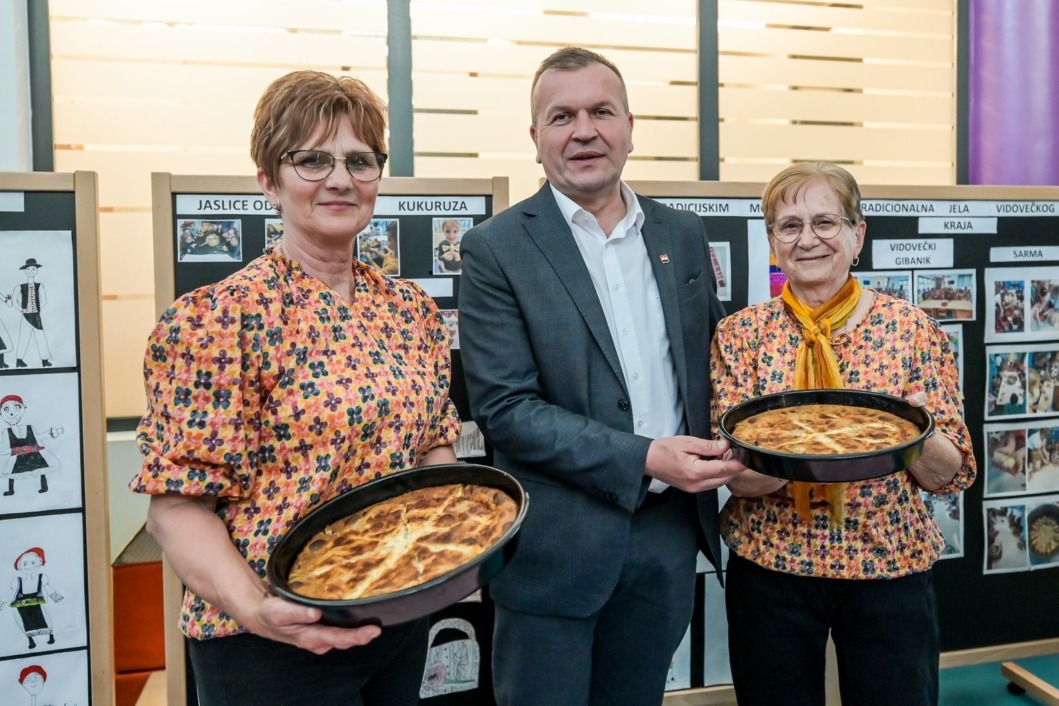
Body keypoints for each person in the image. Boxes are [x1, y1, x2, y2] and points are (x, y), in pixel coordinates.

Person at [130, 70, 461, 706]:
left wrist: (442, 548)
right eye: (311, 160)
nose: (340, 179)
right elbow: (176, 508)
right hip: (268, 642)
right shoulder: (218, 318)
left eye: (359, 161)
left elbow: (431, 451)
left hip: (395, 621)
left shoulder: (409, 309)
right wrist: (258, 609)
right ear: (268, 180)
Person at [458, 46, 744, 706]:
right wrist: (646, 456)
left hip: (666, 542)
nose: (583, 130)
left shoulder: (683, 234)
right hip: (552, 552)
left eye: (600, 111)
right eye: (561, 116)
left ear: (628, 125)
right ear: (535, 140)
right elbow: (504, 409)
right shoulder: (495, 249)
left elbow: (713, 367)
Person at [710, 162, 976, 706]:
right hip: (771, 568)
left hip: (888, 565)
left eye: (826, 222)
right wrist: (823, 449)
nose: (808, 239)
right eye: (789, 226)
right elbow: (741, 480)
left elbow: (952, 474)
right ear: (772, 242)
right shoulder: (740, 335)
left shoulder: (912, 330)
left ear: (858, 235)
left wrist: (914, 431)